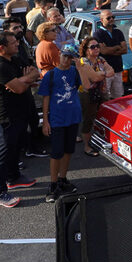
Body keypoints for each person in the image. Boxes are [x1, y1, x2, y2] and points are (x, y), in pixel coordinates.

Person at [0, 30, 42, 208]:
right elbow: (18, 88)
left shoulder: (15, 59)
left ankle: (14, 177)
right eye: (13, 43)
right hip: (6, 118)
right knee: (4, 154)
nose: (17, 44)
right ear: (2, 47)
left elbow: (35, 73)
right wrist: (24, 80)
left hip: (21, 114)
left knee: (16, 148)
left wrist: (23, 79)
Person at [38, 43, 82, 203]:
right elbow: (46, 98)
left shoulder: (75, 71)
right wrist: (45, 121)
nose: (67, 60)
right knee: (56, 152)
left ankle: (63, 179)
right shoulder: (51, 75)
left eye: (70, 57)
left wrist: (80, 66)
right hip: (57, 119)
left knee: (68, 150)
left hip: (73, 117)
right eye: (65, 56)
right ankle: (53, 183)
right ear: (59, 55)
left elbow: (83, 86)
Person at [75, 36, 114, 154]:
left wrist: (100, 74)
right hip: (87, 94)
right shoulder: (83, 62)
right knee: (88, 119)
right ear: (86, 50)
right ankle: (87, 146)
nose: (96, 48)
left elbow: (111, 71)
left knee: (104, 116)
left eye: (97, 46)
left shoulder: (100, 59)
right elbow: (95, 77)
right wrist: (103, 73)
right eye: (93, 47)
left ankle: (102, 140)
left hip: (101, 92)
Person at [92, 10, 127, 99]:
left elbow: (125, 50)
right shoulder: (98, 34)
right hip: (105, 72)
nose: (111, 19)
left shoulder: (118, 32)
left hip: (118, 69)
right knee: (105, 97)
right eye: (108, 18)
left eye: (113, 17)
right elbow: (103, 51)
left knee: (118, 96)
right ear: (101, 20)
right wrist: (118, 46)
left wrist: (109, 49)